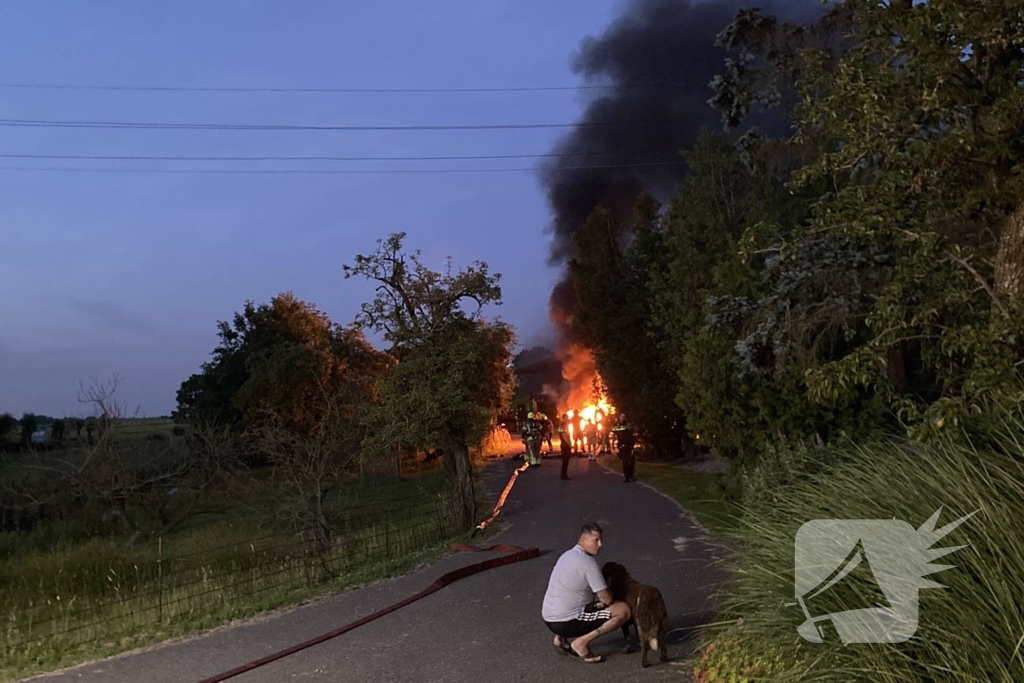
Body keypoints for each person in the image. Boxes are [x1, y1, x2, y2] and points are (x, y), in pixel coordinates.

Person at [541, 523, 631, 663]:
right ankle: (581, 643)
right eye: (596, 540)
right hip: (568, 621)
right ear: (583, 540)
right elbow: (606, 599)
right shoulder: (588, 563)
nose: (600, 544)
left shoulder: (567, 555)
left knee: (579, 601)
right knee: (623, 610)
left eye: (601, 540)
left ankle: (560, 639)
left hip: (549, 618)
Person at [557, 413, 573, 480]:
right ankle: (564, 474)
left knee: (566, 460)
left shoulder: (562, 424)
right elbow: (564, 435)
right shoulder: (563, 425)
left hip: (564, 444)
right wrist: (569, 444)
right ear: (564, 418)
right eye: (567, 417)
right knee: (565, 460)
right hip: (565, 445)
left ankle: (563, 474)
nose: (568, 419)